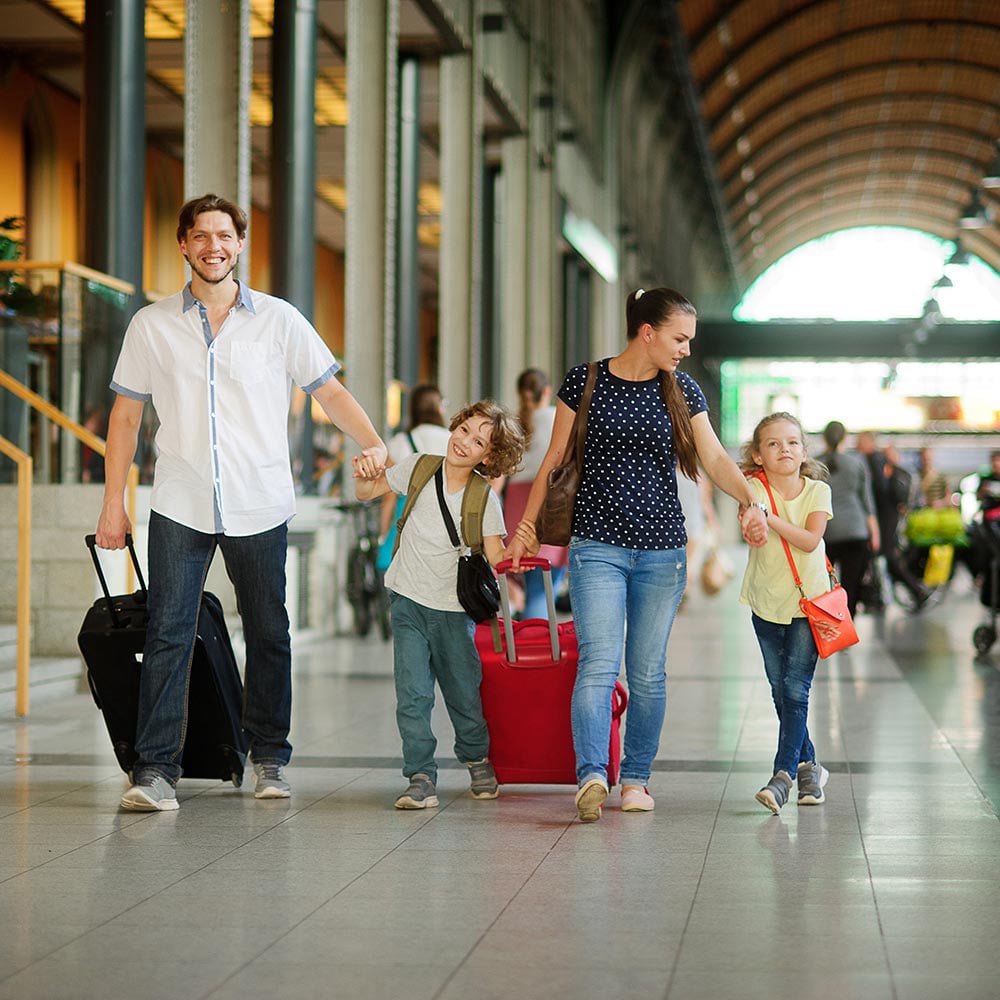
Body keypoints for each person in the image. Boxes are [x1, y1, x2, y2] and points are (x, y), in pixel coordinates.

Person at [95, 193, 387, 812]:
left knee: (269, 630)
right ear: (182, 244)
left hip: (260, 499)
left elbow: (328, 393)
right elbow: (124, 419)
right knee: (169, 632)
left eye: (224, 235)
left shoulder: (279, 320)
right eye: (200, 236)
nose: (213, 247)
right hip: (179, 498)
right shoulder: (151, 325)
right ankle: (155, 772)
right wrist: (112, 503)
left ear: (241, 243)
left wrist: (374, 443)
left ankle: (269, 757)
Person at [504, 287, 768, 822]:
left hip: (662, 551)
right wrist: (526, 527)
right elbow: (554, 459)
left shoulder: (682, 390)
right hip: (596, 544)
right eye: (679, 338)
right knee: (599, 663)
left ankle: (637, 778)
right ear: (647, 332)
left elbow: (713, 456)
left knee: (647, 672)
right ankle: (592, 775)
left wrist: (751, 498)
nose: (686, 350)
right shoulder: (585, 380)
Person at [353, 400, 525, 809]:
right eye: (465, 429)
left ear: (489, 456)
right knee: (412, 694)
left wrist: (523, 547)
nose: (465, 442)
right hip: (408, 602)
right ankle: (420, 775)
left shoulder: (484, 498)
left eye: (479, 441)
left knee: (463, 693)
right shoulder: (419, 467)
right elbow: (368, 493)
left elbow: (497, 558)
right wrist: (363, 474)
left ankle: (476, 758)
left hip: (453, 611)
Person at [738, 413, 832, 814]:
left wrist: (768, 518)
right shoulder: (751, 488)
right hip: (765, 601)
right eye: (773, 444)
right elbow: (748, 521)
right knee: (781, 692)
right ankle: (811, 766)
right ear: (758, 455)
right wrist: (753, 521)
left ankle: (782, 778)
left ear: (804, 451)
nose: (785, 450)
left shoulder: (817, 491)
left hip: (807, 604)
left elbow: (811, 540)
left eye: (793, 442)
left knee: (796, 690)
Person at [504, 368, 568, 619]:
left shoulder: (513, 425)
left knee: (530, 582)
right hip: (550, 504)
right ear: (547, 391)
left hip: (516, 503)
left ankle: (523, 637)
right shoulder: (558, 418)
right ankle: (536, 648)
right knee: (543, 588)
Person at [816, 421, 879, 618]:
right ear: (845, 438)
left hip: (824, 532)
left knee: (821, 583)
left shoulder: (814, 464)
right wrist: (874, 533)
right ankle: (846, 626)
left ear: (824, 439)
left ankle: (825, 626)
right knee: (851, 584)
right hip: (856, 530)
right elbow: (867, 501)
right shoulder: (856, 463)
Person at [380, 384, 452, 541]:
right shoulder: (452, 441)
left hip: (407, 517)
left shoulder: (401, 441)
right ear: (438, 407)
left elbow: (389, 494)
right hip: (445, 514)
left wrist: (384, 533)